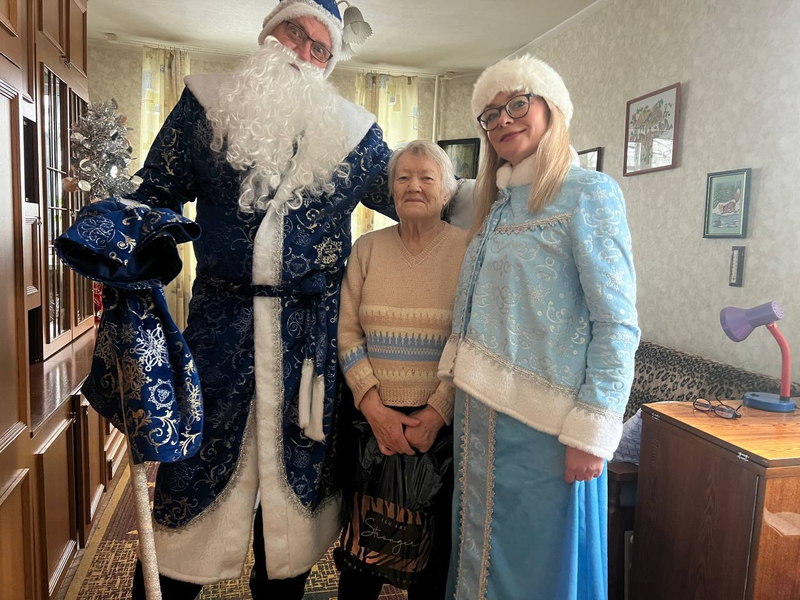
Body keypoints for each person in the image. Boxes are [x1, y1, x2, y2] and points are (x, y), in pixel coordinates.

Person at [91, 1, 398, 598]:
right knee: (187, 500)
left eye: (319, 48)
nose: (302, 52)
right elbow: (156, 194)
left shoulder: (354, 133)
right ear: (267, 33)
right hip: (219, 335)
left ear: (329, 63)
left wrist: (499, 192)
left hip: (309, 347)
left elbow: (417, 191)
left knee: (291, 522)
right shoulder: (205, 105)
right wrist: (122, 246)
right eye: (294, 32)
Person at [439, 55, 640, 600]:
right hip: (478, 418)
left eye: (517, 104)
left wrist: (592, 433)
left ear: (551, 109)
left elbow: (617, 322)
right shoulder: (494, 207)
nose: (503, 120)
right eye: (490, 114)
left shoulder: (590, 193)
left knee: (534, 568)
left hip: (547, 430)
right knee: (478, 557)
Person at [336, 141, 467, 599]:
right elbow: (348, 333)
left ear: (446, 191)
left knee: (430, 561)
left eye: (427, 177)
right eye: (403, 177)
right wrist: (374, 408)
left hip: (440, 430)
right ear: (390, 189)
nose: (413, 186)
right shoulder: (367, 248)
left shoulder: (467, 250)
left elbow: (471, 338)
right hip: (371, 423)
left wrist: (437, 412)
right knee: (363, 557)